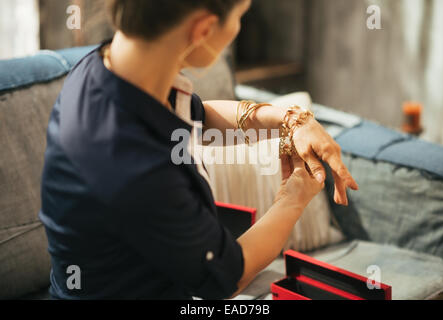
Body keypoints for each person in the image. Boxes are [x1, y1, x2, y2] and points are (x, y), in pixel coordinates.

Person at [39, 0, 359, 300]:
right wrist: (294, 197)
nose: (238, 29)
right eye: (239, 18)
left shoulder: (105, 68)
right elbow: (228, 274)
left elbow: (199, 118)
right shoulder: (133, 164)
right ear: (203, 30)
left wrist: (291, 119)